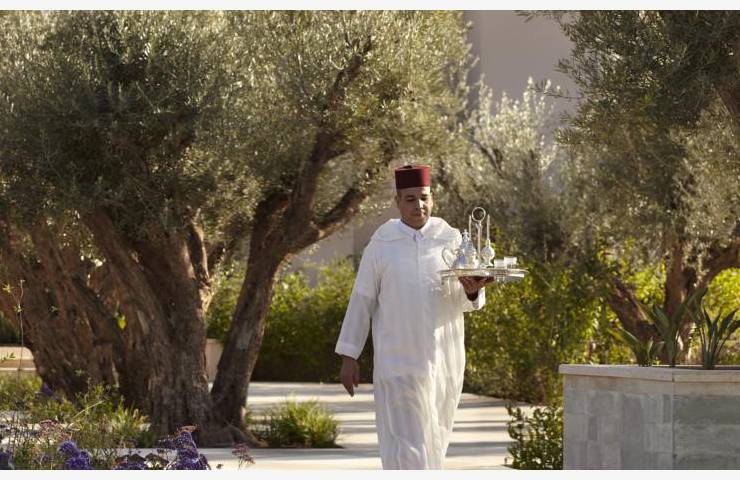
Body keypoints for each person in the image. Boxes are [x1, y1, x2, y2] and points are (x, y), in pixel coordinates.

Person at [335, 164, 493, 470]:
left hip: (443, 360)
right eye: (410, 199)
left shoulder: (451, 241)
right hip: (398, 362)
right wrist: (349, 356)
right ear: (397, 202)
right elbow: (362, 300)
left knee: (435, 438)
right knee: (409, 443)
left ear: (432, 198)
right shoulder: (382, 244)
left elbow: (465, 300)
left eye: (424, 197)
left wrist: (472, 292)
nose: (418, 205)